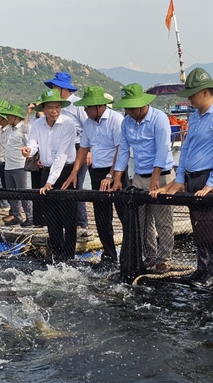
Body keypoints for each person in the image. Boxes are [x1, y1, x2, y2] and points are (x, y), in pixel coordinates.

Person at [153, 68, 213, 289]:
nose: (189, 98)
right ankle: (202, 269)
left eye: (192, 93)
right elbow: (186, 148)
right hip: (193, 176)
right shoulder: (195, 118)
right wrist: (180, 177)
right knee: (199, 224)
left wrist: (211, 183)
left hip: (212, 176)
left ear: (206, 92)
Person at [113, 83, 175, 274]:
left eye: (132, 107)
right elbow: (123, 150)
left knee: (163, 220)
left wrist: (155, 179)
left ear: (142, 104)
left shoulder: (159, 118)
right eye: (126, 108)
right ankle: (150, 255)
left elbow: (162, 149)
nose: (129, 111)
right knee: (142, 220)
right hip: (139, 176)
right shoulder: (126, 122)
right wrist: (117, 178)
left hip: (162, 175)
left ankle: (165, 259)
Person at [65, 86, 126, 266]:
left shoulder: (116, 119)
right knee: (101, 216)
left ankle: (129, 253)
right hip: (97, 171)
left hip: (117, 170)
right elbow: (83, 148)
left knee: (124, 213)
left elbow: (120, 149)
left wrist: (112, 175)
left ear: (99, 106)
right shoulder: (88, 123)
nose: (85, 110)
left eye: (88, 107)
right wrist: (74, 172)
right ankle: (108, 255)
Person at [23, 89, 77, 262]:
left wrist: (50, 182)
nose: (54, 111)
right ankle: (56, 254)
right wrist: (28, 151)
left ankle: (69, 256)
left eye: (57, 107)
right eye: (50, 107)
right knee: (51, 216)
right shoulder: (38, 124)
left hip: (66, 171)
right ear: (44, 109)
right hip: (46, 170)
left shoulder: (68, 124)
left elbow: (62, 155)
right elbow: (33, 143)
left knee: (68, 216)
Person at [44, 72, 90, 234]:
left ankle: (81, 222)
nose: (53, 90)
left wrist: (88, 150)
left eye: (55, 87)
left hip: (79, 148)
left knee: (76, 184)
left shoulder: (77, 104)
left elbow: (87, 127)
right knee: (62, 183)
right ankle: (65, 221)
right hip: (63, 148)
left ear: (63, 88)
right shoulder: (58, 105)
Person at [2, 104, 32, 227]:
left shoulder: (23, 129)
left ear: (15, 117)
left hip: (19, 166)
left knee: (23, 192)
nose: (7, 118)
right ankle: (17, 216)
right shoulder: (10, 128)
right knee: (12, 194)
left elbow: (29, 143)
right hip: (8, 166)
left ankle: (30, 217)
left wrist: (28, 114)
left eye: (9, 116)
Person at [0, 100, 11, 211]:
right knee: (3, 182)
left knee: (8, 184)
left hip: (9, 161)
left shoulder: (10, 130)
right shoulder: (0, 129)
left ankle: (9, 206)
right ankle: (5, 203)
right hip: (1, 159)